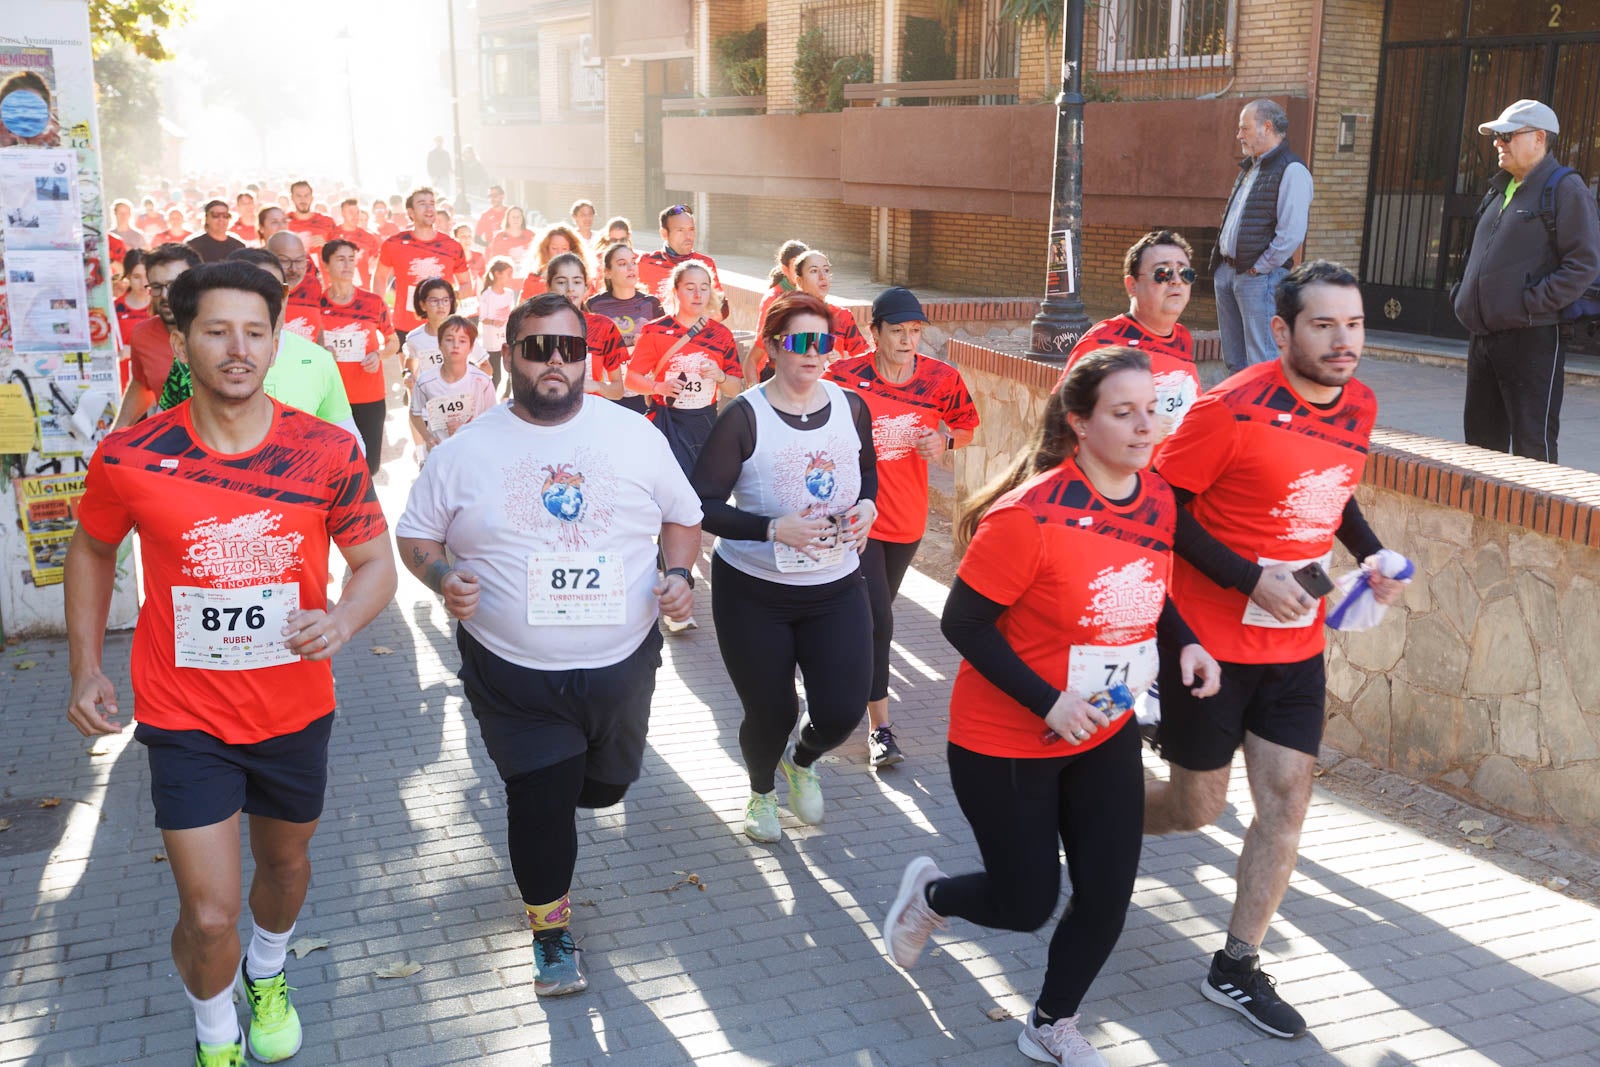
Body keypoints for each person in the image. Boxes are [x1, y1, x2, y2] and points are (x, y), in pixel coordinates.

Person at [64, 261, 396, 1067]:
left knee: (283, 869)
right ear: (181, 339)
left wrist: (344, 621)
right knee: (207, 914)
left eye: (255, 332)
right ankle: (217, 1039)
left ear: (277, 340)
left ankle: (269, 969)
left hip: (293, 708)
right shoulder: (131, 454)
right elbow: (91, 546)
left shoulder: (324, 451)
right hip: (185, 716)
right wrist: (85, 666)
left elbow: (375, 562)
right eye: (216, 330)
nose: (238, 349)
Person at [881, 347, 1221, 1067]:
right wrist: (1049, 699)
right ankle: (934, 894)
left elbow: (1146, 588)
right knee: (1027, 900)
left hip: (1103, 728)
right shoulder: (1028, 515)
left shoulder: (1156, 498)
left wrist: (1186, 642)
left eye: (1150, 409)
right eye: (1121, 412)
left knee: (1106, 892)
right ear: (1079, 422)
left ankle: (1050, 1020)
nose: (1143, 426)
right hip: (1006, 738)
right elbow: (961, 622)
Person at [395, 291, 702, 997]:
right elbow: (415, 536)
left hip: (622, 664)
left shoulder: (634, 436)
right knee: (541, 803)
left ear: (587, 356)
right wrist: (444, 576)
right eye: (538, 348)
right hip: (514, 673)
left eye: (569, 347)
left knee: (604, 786)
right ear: (511, 357)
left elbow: (682, 517)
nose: (555, 361)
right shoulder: (467, 450)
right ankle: (551, 932)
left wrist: (679, 573)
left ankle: (583, 785)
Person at [1146, 261, 1406, 1041]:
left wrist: (1370, 552)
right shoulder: (1230, 408)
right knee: (1197, 807)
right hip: (1208, 643)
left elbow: (1334, 486)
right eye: (1324, 324)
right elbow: (1164, 510)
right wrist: (1251, 578)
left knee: (1288, 800)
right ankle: (1103, 815)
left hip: (1294, 646)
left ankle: (1236, 963)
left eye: (1353, 323)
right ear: (1281, 330)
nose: (1343, 340)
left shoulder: (1359, 403)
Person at [690, 292, 878, 841]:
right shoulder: (744, 417)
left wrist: (867, 506)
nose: (814, 353)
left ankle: (801, 760)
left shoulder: (852, 407)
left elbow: (866, 473)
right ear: (773, 346)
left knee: (844, 709)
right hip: (754, 591)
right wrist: (773, 528)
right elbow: (703, 504)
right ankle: (761, 794)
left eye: (824, 341)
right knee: (770, 710)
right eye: (800, 341)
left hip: (835, 584)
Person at [825, 287, 979, 767]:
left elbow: (967, 426)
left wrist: (944, 442)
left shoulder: (942, 378)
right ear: (875, 333)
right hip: (858, 517)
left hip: (907, 521)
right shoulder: (844, 376)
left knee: (866, 615)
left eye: (915, 331)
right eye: (898, 331)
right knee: (878, 620)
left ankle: (831, 669)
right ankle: (880, 729)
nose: (909, 340)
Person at [1453, 99, 1600, 465]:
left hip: (1532, 337)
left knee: (1532, 447)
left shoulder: (1565, 189)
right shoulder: (1499, 188)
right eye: (1496, 137)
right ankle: (1488, 522)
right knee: (1480, 445)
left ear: (1538, 138)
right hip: (1484, 337)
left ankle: (1534, 523)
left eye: (1507, 135)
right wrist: (1462, 296)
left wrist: (1530, 303)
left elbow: (1583, 265)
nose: (1497, 143)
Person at [1061, 230, 1202, 453]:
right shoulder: (1103, 342)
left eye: (1185, 274)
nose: (1176, 281)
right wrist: (1138, 427)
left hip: (1169, 485)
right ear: (1131, 285)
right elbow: (1060, 424)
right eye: (1162, 273)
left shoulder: (1182, 339)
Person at [225, 249, 362, 451]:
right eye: (255, 291)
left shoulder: (318, 360)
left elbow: (350, 443)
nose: (271, 301)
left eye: (277, 290)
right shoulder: (194, 362)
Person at [1211, 99, 1313, 372]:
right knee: (1235, 361)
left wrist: (1260, 268)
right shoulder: (1251, 167)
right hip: (1230, 273)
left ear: (1267, 127)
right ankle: (1240, 411)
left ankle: (1265, 413)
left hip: (1258, 278)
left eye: (1244, 128)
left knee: (1262, 359)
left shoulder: (1292, 170)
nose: (1239, 135)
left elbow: (1291, 233)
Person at [627, 261, 743, 476]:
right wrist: (658, 387)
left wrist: (720, 376)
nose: (698, 294)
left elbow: (736, 390)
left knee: (703, 490)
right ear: (676, 291)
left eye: (704, 287)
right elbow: (631, 379)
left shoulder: (721, 335)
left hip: (704, 423)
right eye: (690, 288)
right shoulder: (655, 331)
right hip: (667, 421)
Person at [320, 238, 398, 473]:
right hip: (329, 398)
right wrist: (319, 354)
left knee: (368, 466)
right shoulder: (315, 304)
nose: (347, 265)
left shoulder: (373, 303)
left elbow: (394, 342)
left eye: (351, 259)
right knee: (332, 467)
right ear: (326, 264)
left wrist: (379, 354)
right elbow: (304, 354)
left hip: (369, 397)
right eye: (340, 259)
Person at [115, 243, 202, 429]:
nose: (164, 295)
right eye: (156, 286)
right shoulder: (142, 335)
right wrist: (116, 433)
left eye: (173, 285)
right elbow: (141, 384)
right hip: (174, 449)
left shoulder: (224, 329)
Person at [373, 187, 475, 338]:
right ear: (410, 212)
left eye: (432, 204)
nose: (429, 208)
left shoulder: (452, 246)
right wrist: (380, 309)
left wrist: (446, 297)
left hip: (442, 327)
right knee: (409, 363)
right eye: (422, 204)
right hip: (405, 327)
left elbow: (467, 285)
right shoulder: (394, 243)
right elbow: (380, 277)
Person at [585, 242, 665, 413]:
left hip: (642, 390)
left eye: (633, 261)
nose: (631, 268)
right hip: (607, 390)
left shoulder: (651, 304)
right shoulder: (594, 305)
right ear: (607, 272)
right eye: (622, 264)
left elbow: (665, 346)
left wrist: (646, 345)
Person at [408, 315, 499, 458]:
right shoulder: (425, 382)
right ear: (439, 344)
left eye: (462, 341)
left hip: (473, 453)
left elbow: (493, 421)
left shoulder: (483, 382)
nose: (455, 345)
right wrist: (427, 438)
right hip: (439, 455)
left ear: (471, 348)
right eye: (449, 339)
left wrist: (465, 429)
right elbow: (415, 413)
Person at [543, 252, 627, 401]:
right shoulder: (535, 325)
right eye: (561, 282)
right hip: (546, 413)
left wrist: (596, 386)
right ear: (549, 286)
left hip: (588, 415)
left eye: (577, 282)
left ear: (586, 287)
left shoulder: (603, 327)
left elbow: (618, 390)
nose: (570, 289)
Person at [636, 204, 725, 318]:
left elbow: (718, 309)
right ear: (664, 233)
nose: (688, 236)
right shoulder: (646, 262)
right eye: (680, 230)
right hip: (656, 332)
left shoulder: (705, 263)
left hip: (693, 332)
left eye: (691, 229)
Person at [790, 250, 868, 364]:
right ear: (799, 280)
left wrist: (841, 362)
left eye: (826, 270)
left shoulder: (842, 316)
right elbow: (776, 358)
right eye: (814, 271)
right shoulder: (787, 315)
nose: (822, 277)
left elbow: (862, 359)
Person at [267, 232, 323, 347]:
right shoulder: (255, 291)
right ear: (269, 260)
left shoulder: (313, 286)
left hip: (306, 363)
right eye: (285, 261)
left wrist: (323, 351)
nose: (293, 269)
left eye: (299, 261)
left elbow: (319, 326)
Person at [752, 239, 809, 350]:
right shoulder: (773, 299)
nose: (801, 270)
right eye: (796, 264)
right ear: (785, 269)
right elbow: (764, 341)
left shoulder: (813, 294)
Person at [478, 257, 517, 389]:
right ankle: (488, 399)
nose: (510, 277)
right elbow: (482, 317)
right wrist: (494, 322)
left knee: (512, 369)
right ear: (497, 274)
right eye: (508, 274)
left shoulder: (509, 294)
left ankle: (507, 396)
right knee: (496, 376)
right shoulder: (486, 295)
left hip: (506, 338)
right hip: (492, 342)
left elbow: (512, 314)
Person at [519, 224, 584, 300]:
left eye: (564, 248)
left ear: (572, 250)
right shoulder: (534, 279)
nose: (559, 252)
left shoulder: (582, 278)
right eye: (554, 248)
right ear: (546, 249)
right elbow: (521, 309)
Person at [332, 197, 381, 288]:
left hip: (362, 290)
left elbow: (376, 263)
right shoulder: (332, 235)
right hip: (339, 289)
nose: (355, 216)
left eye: (357, 212)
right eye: (351, 212)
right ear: (343, 213)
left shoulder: (369, 237)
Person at [115, 248, 154, 348]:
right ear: (127, 276)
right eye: (137, 277)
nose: (144, 283)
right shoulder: (115, 308)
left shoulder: (163, 306)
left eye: (147, 275)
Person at [285, 181, 335, 253]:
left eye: (306, 195)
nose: (303, 200)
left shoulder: (327, 221)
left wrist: (326, 246)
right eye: (298, 196)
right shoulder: (283, 222)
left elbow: (338, 252)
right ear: (292, 198)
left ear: (312, 198)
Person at [487, 206, 535, 277]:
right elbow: (494, 260)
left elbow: (536, 257)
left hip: (526, 277)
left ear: (522, 219)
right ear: (508, 219)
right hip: (505, 278)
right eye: (513, 217)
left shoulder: (530, 235)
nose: (516, 220)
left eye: (518, 217)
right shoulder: (499, 237)